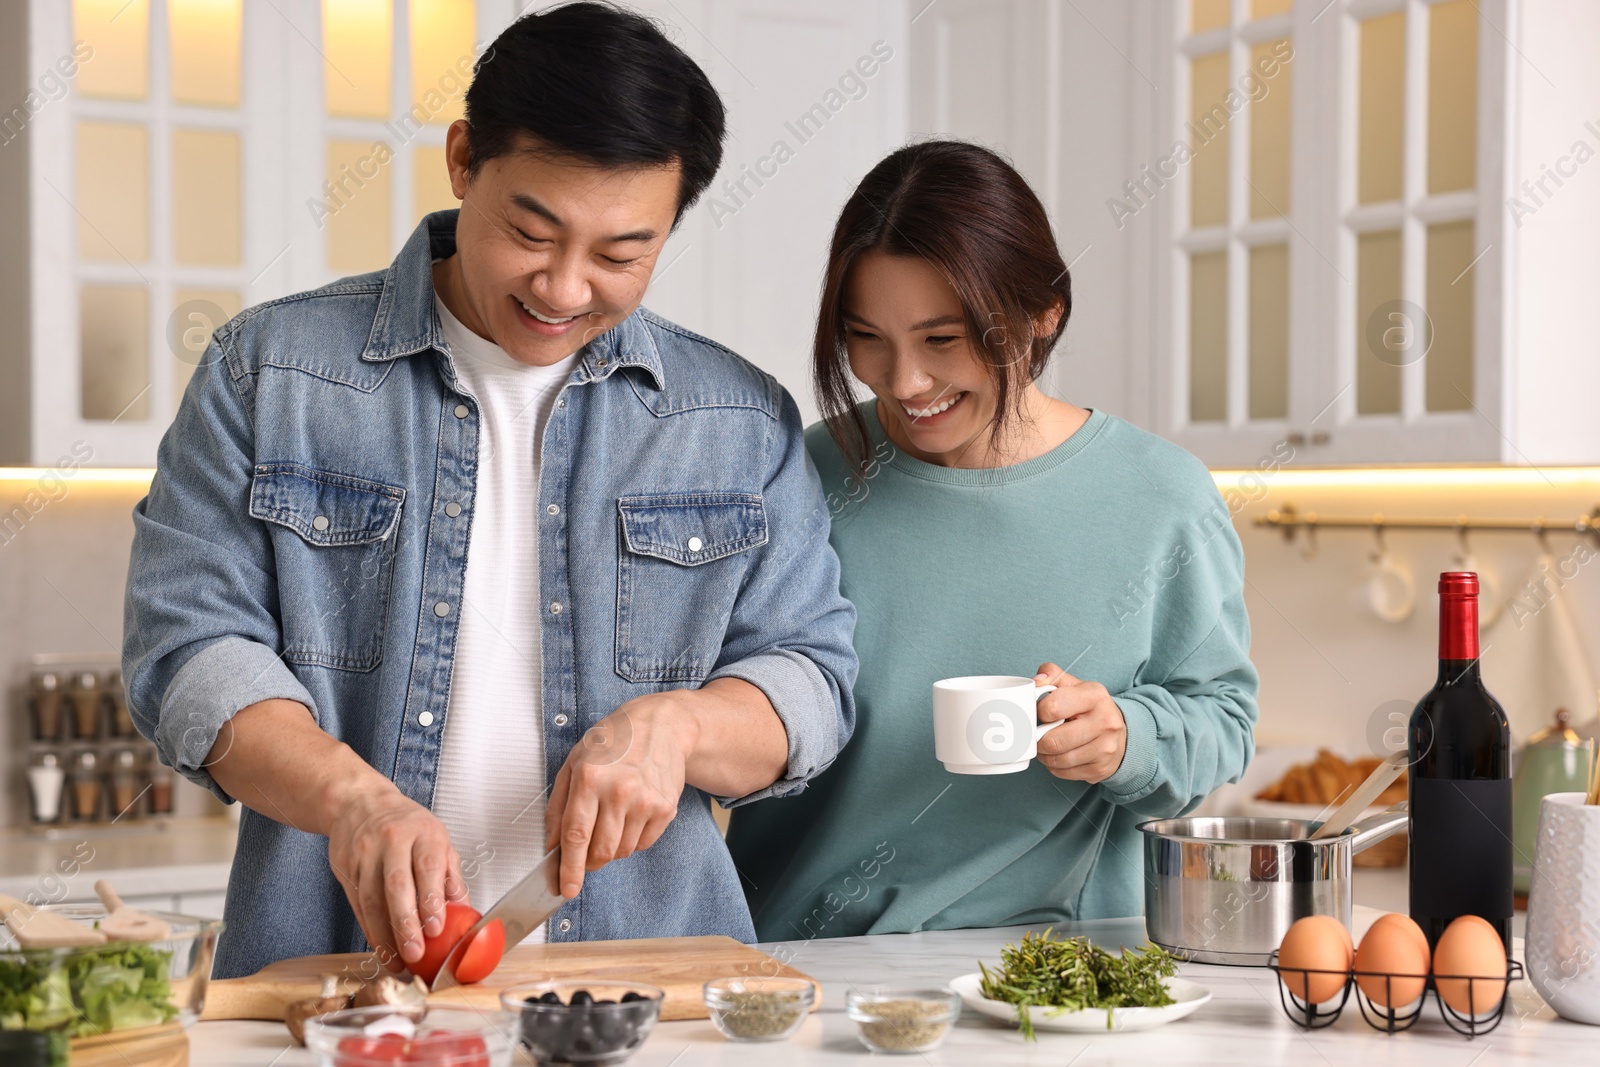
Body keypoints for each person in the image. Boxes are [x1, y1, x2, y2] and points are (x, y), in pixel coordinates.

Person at [123, 2, 856, 979]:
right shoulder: (272, 374)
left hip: (650, 989)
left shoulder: (736, 419)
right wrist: (352, 797)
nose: (561, 288)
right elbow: (187, 649)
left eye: (619, 254)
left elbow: (811, 676)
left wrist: (677, 727)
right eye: (531, 230)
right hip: (340, 986)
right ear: (464, 161)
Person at [727, 141, 1258, 940]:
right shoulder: (805, 474)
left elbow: (1224, 719)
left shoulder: (1161, 497)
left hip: (1057, 974)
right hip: (812, 965)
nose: (903, 381)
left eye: (942, 340)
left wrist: (1128, 736)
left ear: (1042, 314)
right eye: (867, 336)